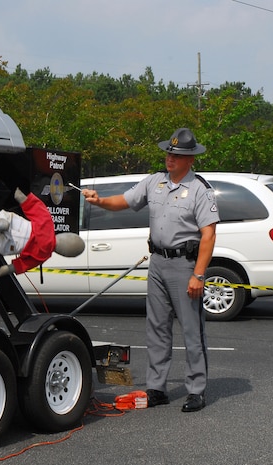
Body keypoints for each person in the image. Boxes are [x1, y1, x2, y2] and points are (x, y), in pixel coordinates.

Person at [81, 127, 219, 413]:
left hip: (184, 266)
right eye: (168, 152)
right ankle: (157, 388)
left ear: (190, 159)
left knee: (192, 331)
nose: (170, 158)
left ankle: (196, 391)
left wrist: (199, 275)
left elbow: (209, 235)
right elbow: (126, 200)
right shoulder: (155, 182)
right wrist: (100, 200)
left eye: (177, 155)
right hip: (157, 263)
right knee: (157, 328)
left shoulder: (199, 190)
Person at [0, 188, 85, 277]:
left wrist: (22, 198)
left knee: (8, 219)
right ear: (65, 254)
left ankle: (1, 224)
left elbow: (37, 209)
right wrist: (9, 268)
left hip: (20, 228)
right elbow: (26, 263)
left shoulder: (48, 226)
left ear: (66, 235)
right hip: (14, 245)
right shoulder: (43, 256)